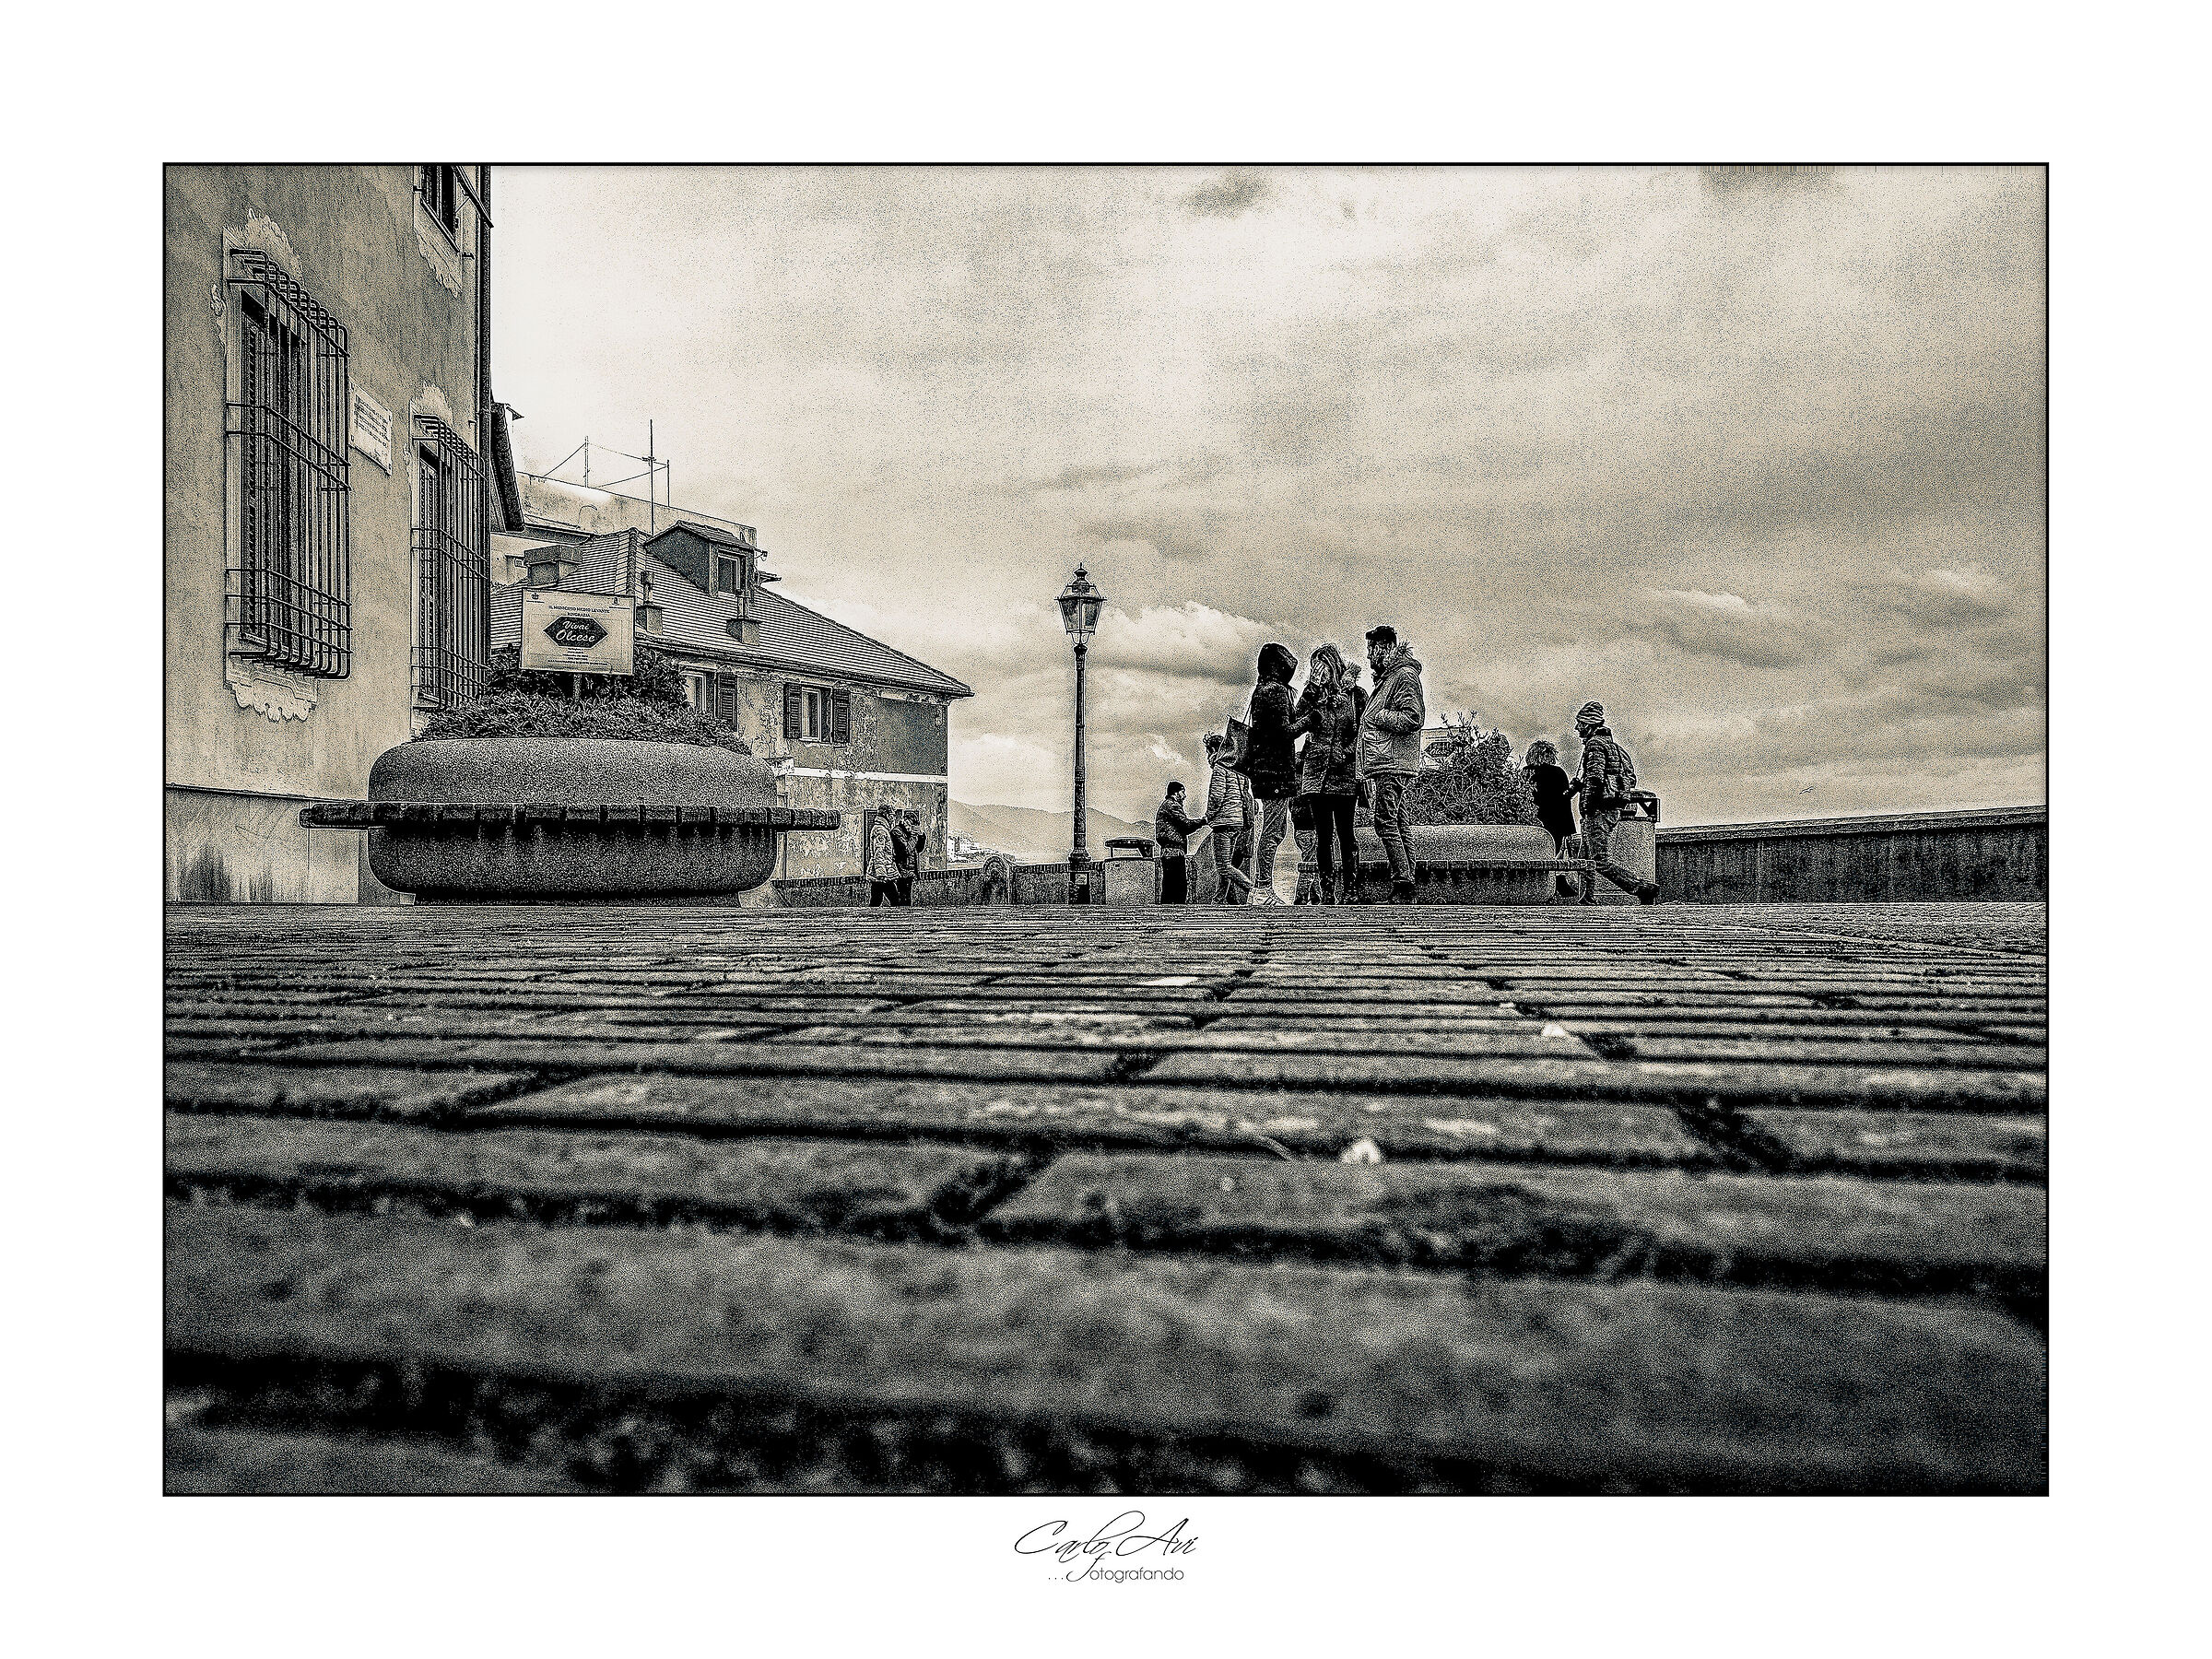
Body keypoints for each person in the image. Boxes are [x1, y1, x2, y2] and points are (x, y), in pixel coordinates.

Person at [1356, 625, 1426, 903]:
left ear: (1383, 648)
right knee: (1398, 819)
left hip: (1392, 761)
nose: (1369, 656)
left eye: (1372, 650)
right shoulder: (1390, 677)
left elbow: (1412, 717)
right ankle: (1408, 879)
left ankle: (1403, 883)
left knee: (1384, 819)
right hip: (1388, 760)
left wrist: (1377, 717)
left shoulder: (1403, 676)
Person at [1571, 701, 1661, 905]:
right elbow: (1627, 777)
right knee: (1587, 856)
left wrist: (1587, 805)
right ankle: (1587, 898)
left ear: (1589, 723)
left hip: (1598, 810)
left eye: (1579, 723)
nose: (1577, 728)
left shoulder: (1595, 745)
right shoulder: (1614, 747)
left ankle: (1642, 888)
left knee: (1599, 861)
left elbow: (1595, 778)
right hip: (1612, 808)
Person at [1294, 641, 1363, 905]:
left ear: (1334, 666)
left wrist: (1345, 753)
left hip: (1345, 775)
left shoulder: (1356, 695)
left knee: (1346, 833)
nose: (1318, 671)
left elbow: (1361, 732)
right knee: (1322, 835)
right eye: (1314, 666)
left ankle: (1351, 890)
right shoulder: (1314, 696)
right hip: (1316, 773)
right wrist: (1310, 690)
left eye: (1322, 665)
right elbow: (1295, 721)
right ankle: (1327, 893)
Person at [1235, 642, 1300, 904]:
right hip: (1277, 772)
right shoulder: (1277, 691)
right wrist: (1311, 720)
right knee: (1273, 831)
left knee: (1273, 829)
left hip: (1263, 772)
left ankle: (1261, 889)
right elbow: (1285, 732)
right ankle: (1262, 889)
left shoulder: (1260, 691)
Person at [1202, 733, 1256, 902]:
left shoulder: (1220, 768)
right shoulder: (1237, 769)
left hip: (1223, 823)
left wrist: (1209, 816)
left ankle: (1251, 888)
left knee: (1224, 867)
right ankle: (1217, 900)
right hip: (1237, 822)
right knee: (1226, 865)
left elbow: (1216, 797)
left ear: (1212, 750)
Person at [1525, 739, 1580, 900]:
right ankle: (1558, 885)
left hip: (1535, 820)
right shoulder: (1558, 773)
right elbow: (1564, 798)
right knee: (1557, 855)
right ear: (1549, 755)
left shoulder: (1526, 773)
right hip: (1557, 820)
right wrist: (1575, 788)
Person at [1153, 782, 1205, 903]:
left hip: (1169, 853)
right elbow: (1186, 825)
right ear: (1175, 793)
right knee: (1179, 888)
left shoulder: (1166, 805)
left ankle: (1166, 916)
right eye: (1183, 792)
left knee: (1169, 888)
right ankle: (1176, 917)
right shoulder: (1173, 806)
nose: (1185, 795)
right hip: (1174, 853)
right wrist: (1203, 821)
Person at [865, 811, 901, 908]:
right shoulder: (881, 831)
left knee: (876, 900)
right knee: (895, 900)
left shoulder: (881, 829)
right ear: (886, 815)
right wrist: (881, 873)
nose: (893, 817)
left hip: (882, 871)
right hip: (883, 872)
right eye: (892, 815)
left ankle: (871, 918)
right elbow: (878, 852)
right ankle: (898, 920)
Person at [891, 807, 924, 906]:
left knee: (907, 897)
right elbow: (906, 850)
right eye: (911, 824)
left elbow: (918, 849)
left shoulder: (909, 833)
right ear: (905, 821)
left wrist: (921, 836)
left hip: (910, 870)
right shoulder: (897, 832)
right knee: (902, 897)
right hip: (901, 870)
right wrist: (913, 836)